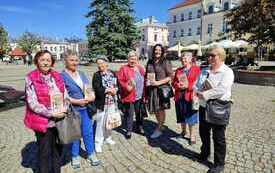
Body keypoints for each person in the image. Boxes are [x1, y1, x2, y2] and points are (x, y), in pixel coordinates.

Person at [24, 50, 67, 173]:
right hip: (43, 122)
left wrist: (65, 108)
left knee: (57, 149)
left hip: (59, 120)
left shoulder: (57, 76)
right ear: (37, 61)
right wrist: (51, 113)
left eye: (48, 60)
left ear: (52, 62)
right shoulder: (31, 78)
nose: (45, 62)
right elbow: (32, 103)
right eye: (42, 60)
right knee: (45, 152)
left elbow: (65, 95)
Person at [194, 47, 234, 173]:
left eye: (212, 55)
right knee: (203, 133)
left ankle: (219, 164)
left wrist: (204, 94)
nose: (209, 57)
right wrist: (197, 90)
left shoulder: (227, 72)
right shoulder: (205, 70)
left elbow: (222, 89)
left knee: (218, 137)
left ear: (221, 57)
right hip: (203, 107)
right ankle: (204, 153)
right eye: (208, 55)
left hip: (218, 107)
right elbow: (196, 84)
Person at [61, 50, 101, 169]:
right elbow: (62, 95)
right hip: (73, 109)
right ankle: (74, 156)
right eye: (71, 60)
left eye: (76, 60)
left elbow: (88, 88)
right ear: (65, 61)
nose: (75, 62)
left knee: (88, 132)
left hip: (85, 109)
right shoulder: (61, 76)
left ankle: (90, 153)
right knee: (75, 134)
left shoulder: (82, 74)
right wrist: (75, 101)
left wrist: (92, 95)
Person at [144, 44, 173, 139]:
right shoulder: (150, 61)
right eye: (156, 50)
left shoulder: (165, 62)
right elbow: (147, 74)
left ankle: (160, 128)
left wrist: (158, 82)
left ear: (162, 51)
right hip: (151, 89)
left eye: (159, 50)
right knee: (155, 108)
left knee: (160, 109)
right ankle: (160, 124)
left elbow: (170, 77)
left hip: (161, 89)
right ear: (153, 51)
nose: (157, 52)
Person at [172, 52, 200, 145]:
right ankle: (183, 131)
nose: (183, 60)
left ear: (191, 59)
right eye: (182, 58)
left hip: (190, 96)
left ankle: (192, 135)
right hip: (179, 96)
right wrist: (177, 85)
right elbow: (174, 82)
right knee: (181, 115)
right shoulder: (179, 70)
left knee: (191, 116)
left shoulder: (196, 69)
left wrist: (189, 86)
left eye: (185, 58)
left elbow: (199, 83)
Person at [116, 51, 145, 139]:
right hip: (129, 95)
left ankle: (139, 127)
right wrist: (126, 87)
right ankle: (129, 130)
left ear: (137, 59)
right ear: (128, 59)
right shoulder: (123, 68)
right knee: (129, 114)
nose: (133, 60)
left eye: (134, 58)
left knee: (139, 113)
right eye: (131, 58)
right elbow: (120, 81)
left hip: (140, 95)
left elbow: (145, 78)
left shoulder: (140, 68)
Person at [92, 57, 118, 153]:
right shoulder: (96, 75)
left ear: (106, 63)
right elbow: (97, 89)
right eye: (98, 64)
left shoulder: (112, 73)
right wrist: (108, 90)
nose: (100, 65)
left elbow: (116, 85)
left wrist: (115, 90)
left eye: (102, 63)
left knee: (110, 121)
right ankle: (98, 143)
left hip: (112, 102)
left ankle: (108, 137)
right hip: (101, 104)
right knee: (100, 124)